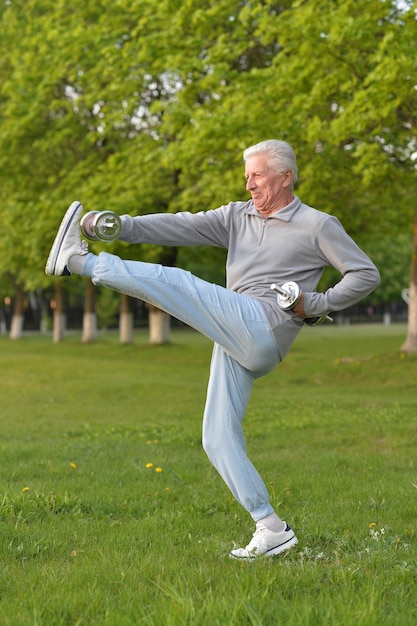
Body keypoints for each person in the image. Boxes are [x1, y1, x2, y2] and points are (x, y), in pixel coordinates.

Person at [45, 139, 380, 559]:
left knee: (181, 283)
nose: (250, 184)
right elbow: (177, 225)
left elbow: (365, 274)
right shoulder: (236, 216)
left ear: (285, 176)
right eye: (247, 176)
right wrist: (118, 226)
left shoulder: (317, 225)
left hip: (265, 327)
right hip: (234, 327)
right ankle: (271, 527)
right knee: (217, 436)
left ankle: (81, 263)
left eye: (257, 175)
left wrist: (315, 304)